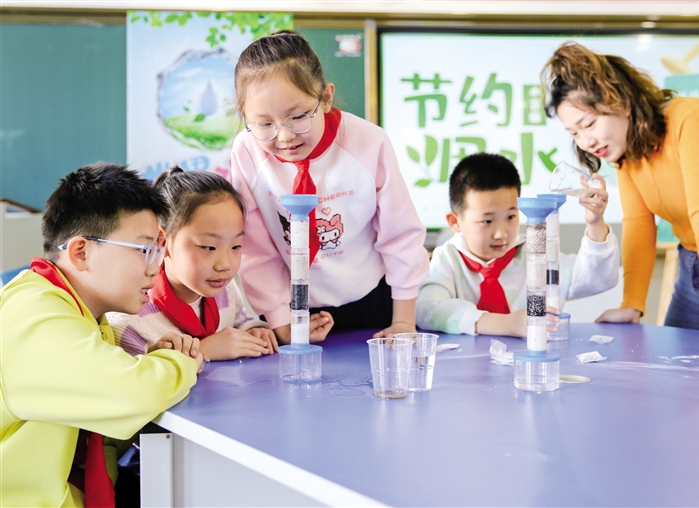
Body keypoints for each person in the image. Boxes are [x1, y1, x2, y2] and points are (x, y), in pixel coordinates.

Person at [0, 163, 204, 508]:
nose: (154, 268)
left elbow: (104, 425)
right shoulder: (31, 312)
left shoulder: (82, 315)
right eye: (143, 250)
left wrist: (152, 359)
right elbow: (137, 394)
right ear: (81, 252)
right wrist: (181, 361)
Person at [542, 41, 699, 343]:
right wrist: (632, 304)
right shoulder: (627, 151)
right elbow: (639, 224)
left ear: (621, 101)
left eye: (590, 124)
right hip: (693, 263)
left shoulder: (694, 119)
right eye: (574, 133)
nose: (586, 142)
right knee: (678, 363)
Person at [230, 30, 429, 344]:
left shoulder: (369, 142)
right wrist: (283, 323)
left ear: (325, 98)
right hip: (291, 306)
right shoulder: (247, 151)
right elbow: (256, 248)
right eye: (265, 124)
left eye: (298, 117)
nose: (284, 136)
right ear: (244, 115)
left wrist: (403, 320)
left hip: (372, 298)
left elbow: (400, 233)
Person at [416, 152, 619, 336]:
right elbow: (426, 309)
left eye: (511, 217)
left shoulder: (533, 252)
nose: (501, 233)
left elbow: (595, 278)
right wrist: (506, 324)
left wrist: (595, 223)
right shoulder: (447, 259)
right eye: (487, 221)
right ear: (455, 221)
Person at [109, 167, 279, 360]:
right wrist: (202, 351)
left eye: (236, 246)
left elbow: (239, 322)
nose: (225, 264)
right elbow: (139, 375)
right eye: (208, 247)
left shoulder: (225, 289)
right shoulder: (130, 319)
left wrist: (253, 330)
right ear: (161, 239)